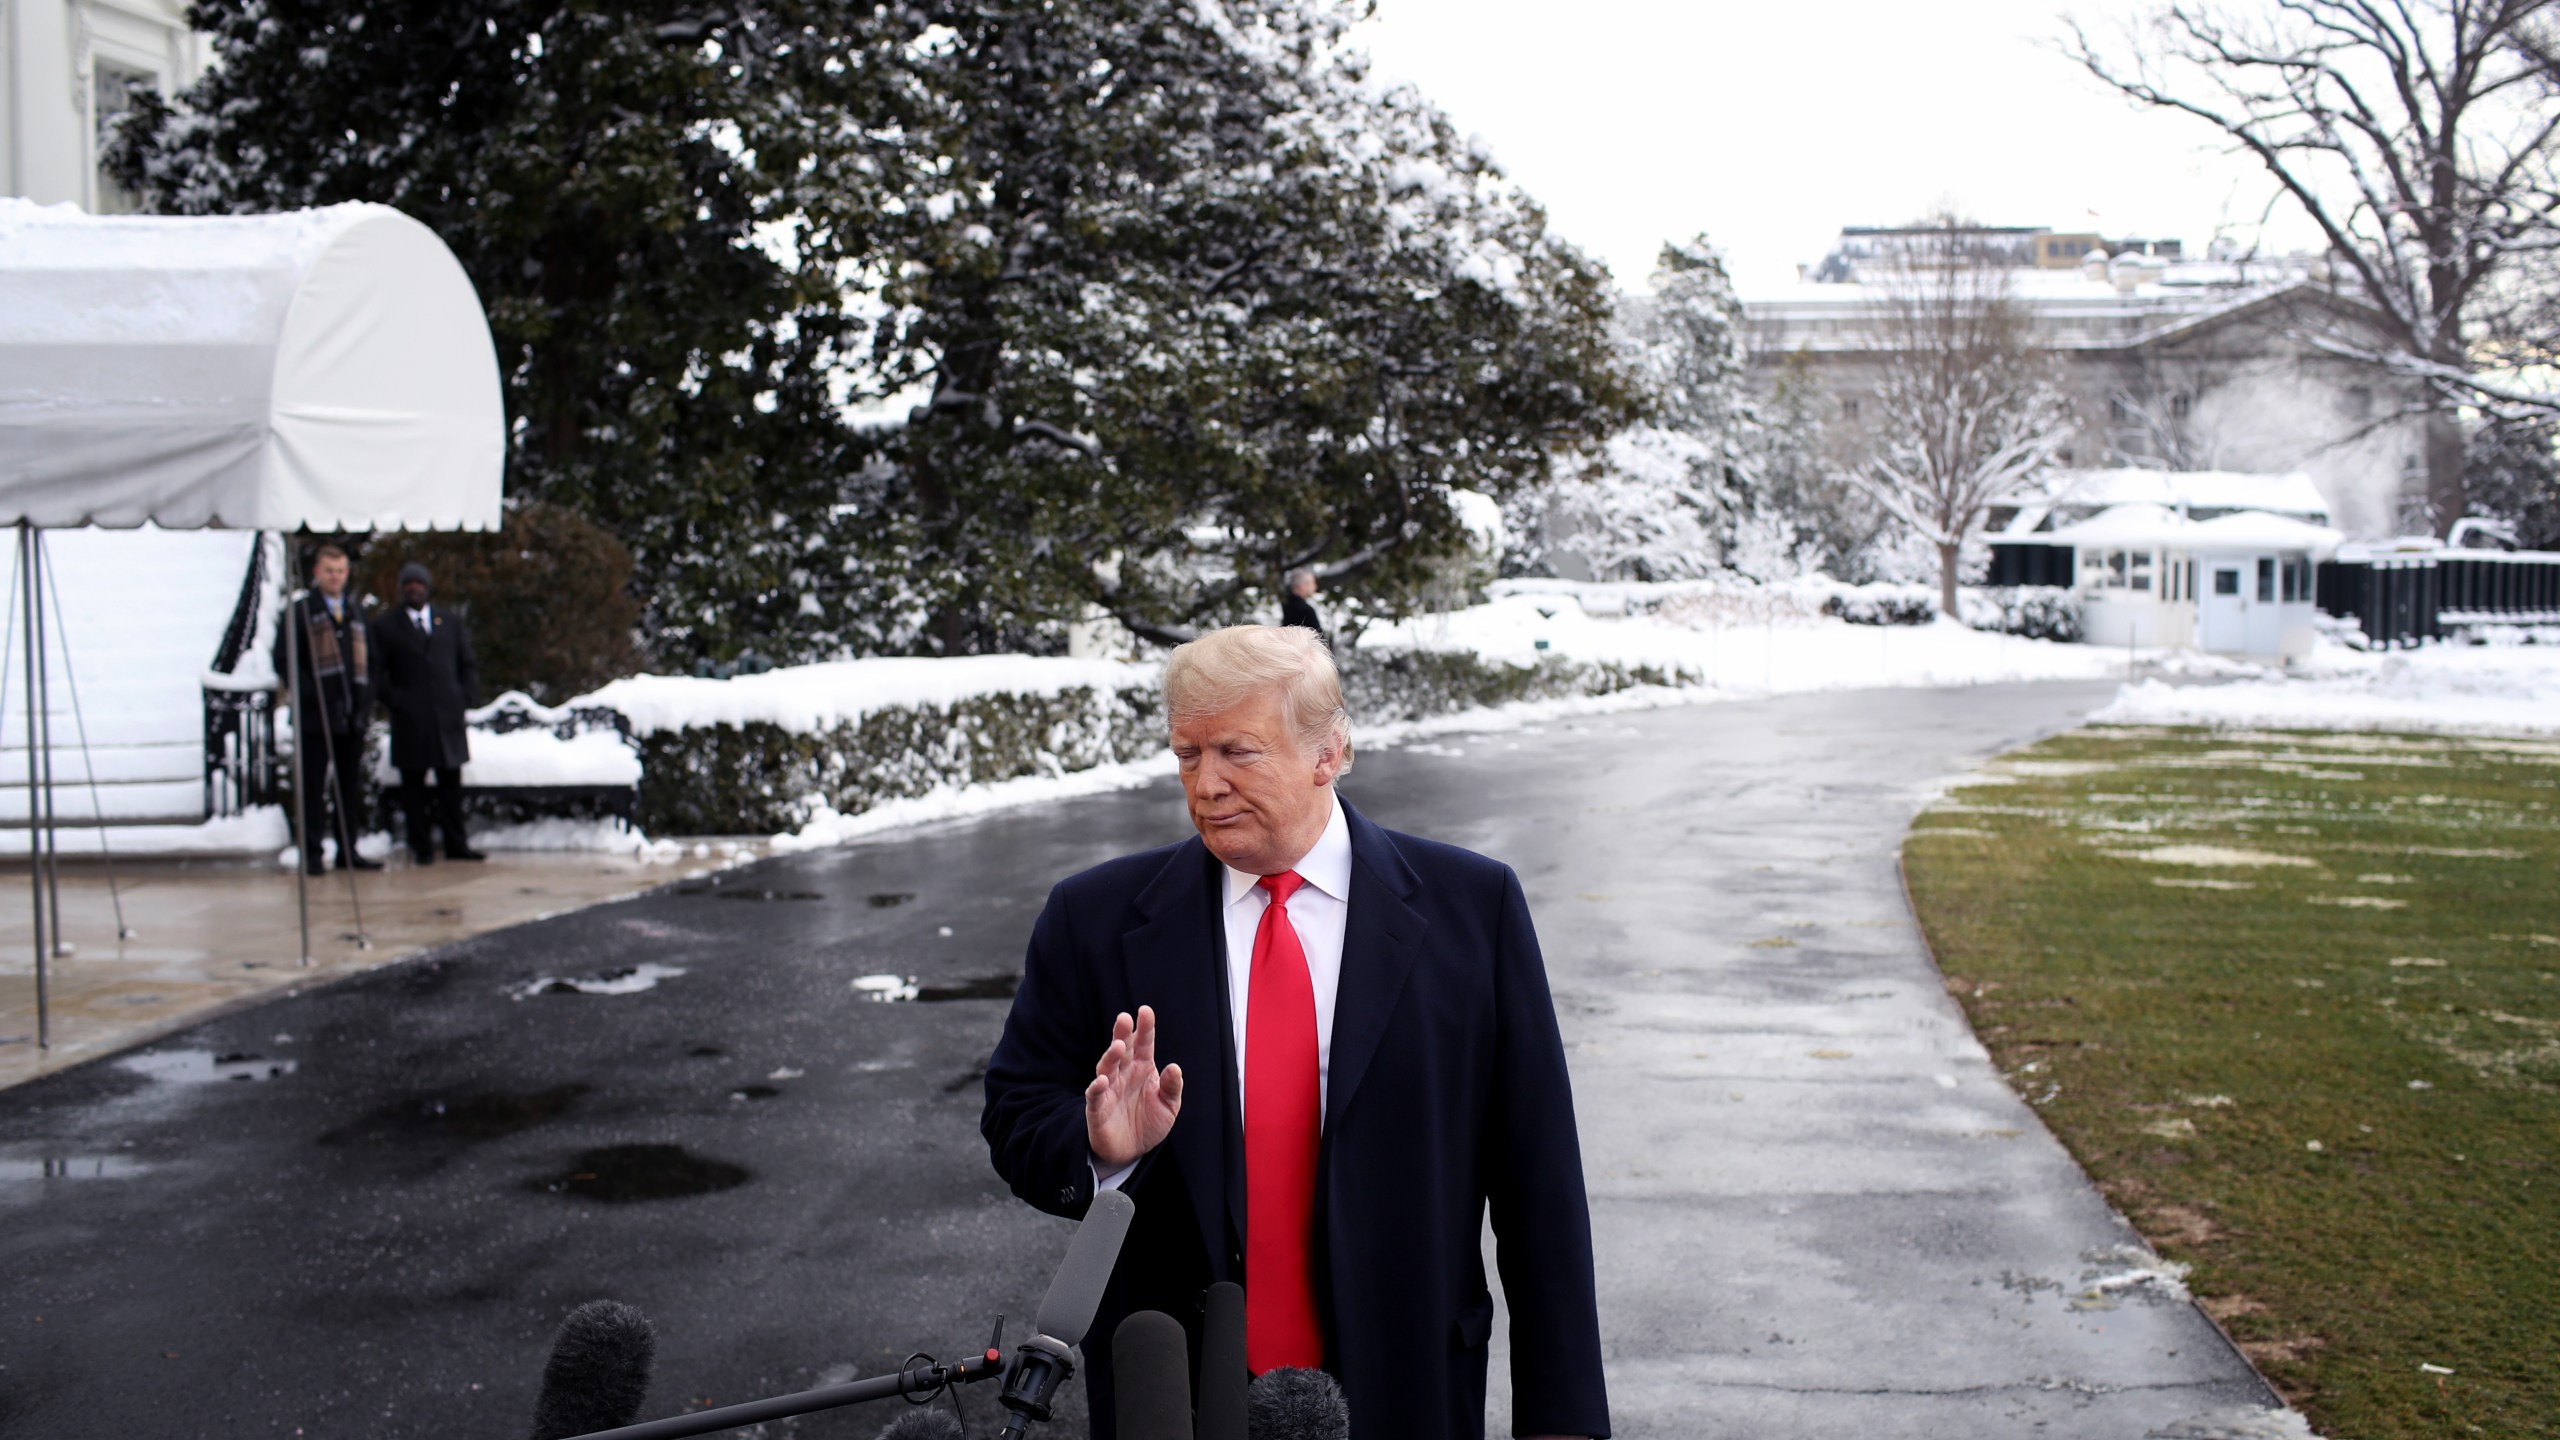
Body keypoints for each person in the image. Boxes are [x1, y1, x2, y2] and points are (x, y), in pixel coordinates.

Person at [981, 625, 1608, 1440]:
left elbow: (1540, 1187)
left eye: (1237, 752)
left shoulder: (1472, 908)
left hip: (1408, 1382)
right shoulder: (1093, 917)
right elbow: (1016, 1115)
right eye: (1187, 755)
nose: (1205, 784)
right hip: (1175, 1397)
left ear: (1328, 753)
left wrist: (1561, 1422)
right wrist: (1103, 1148)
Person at [271, 544, 382, 876]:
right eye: (329, 571)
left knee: (348, 788)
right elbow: (284, 659)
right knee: (313, 788)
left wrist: (367, 696)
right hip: (315, 717)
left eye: (341, 571)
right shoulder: (301, 611)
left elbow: (371, 660)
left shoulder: (356, 612)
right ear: (317, 573)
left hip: (351, 715)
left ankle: (349, 850)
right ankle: (313, 853)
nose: (335, 577)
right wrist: (309, 691)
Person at [372, 562, 484, 863]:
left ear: (428, 587)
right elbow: (377, 673)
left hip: (447, 718)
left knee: (450, 787)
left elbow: (467, 662)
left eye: (419, 583)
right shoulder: (385, 627)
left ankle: (456, 844)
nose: (414, 588)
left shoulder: (448, 622)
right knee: (414, 790)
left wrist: (463, 696)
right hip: (411, 721)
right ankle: (420, 847)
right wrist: (396, 701)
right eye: (408, 584)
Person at [1279, 567, 1327, 646]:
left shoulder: (1286, 604)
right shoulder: (1305, 610)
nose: (1315, 587)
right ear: (1302, 586)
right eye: (1312, 583)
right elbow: (1319, 639)